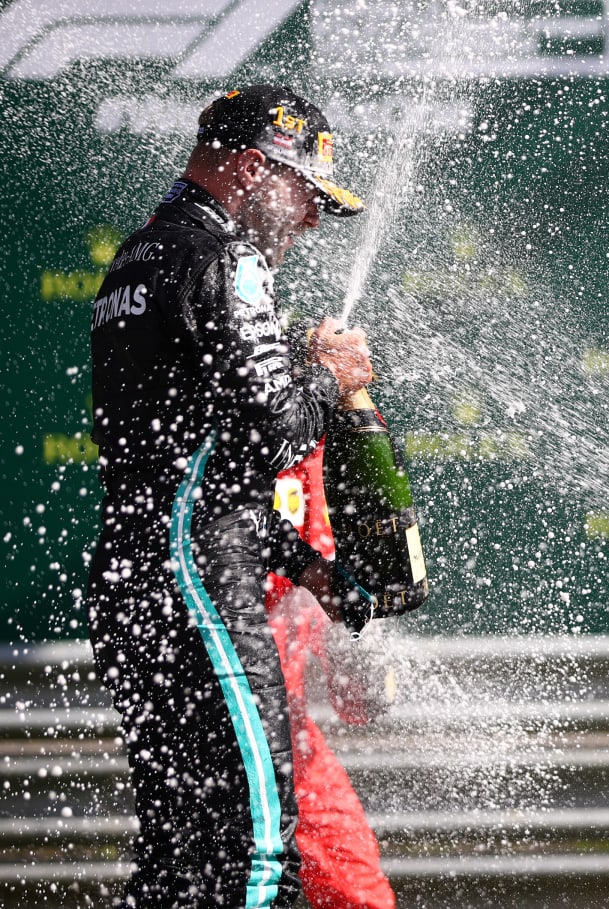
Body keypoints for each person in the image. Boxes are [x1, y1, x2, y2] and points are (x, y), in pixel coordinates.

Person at [87, 84, 374, 908]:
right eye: (306, 195)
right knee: (255, 856)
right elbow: (272, 432)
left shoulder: (136, 257)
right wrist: (330, 374)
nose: (313, 221)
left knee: (180, 858)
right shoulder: (227, 255)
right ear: (252, 170)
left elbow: (187, 464)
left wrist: (299, 561)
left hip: (137, 582)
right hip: (198, 587)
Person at [268, 441, 398, 909]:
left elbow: (357, 701)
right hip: (229, 723)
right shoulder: (257, 427)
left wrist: (365, 656)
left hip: (289, 733)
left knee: (357, 889)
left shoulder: (327, 452)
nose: (366, 366)